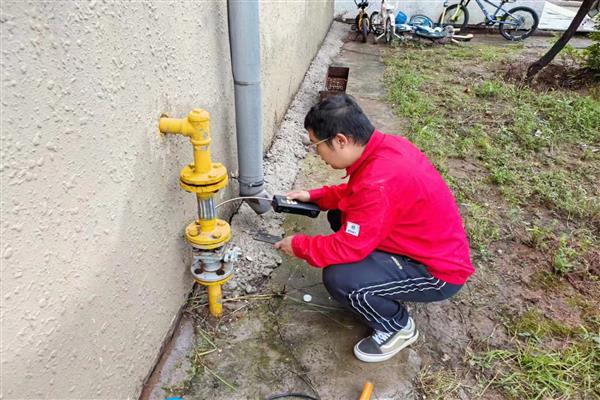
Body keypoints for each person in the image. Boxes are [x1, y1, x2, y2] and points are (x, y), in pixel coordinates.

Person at [274, 94, 474, 363]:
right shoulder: (386, 149)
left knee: (341, 278)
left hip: (438, 273)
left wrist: (300, 245)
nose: (317, 154)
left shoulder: (379, 182)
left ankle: (397, 326)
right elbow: (357, 194)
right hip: (420, 246)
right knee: (340, 214)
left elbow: (349, 243)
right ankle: (383, 283)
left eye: (316, 145)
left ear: (341, 140)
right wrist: (315, 196)